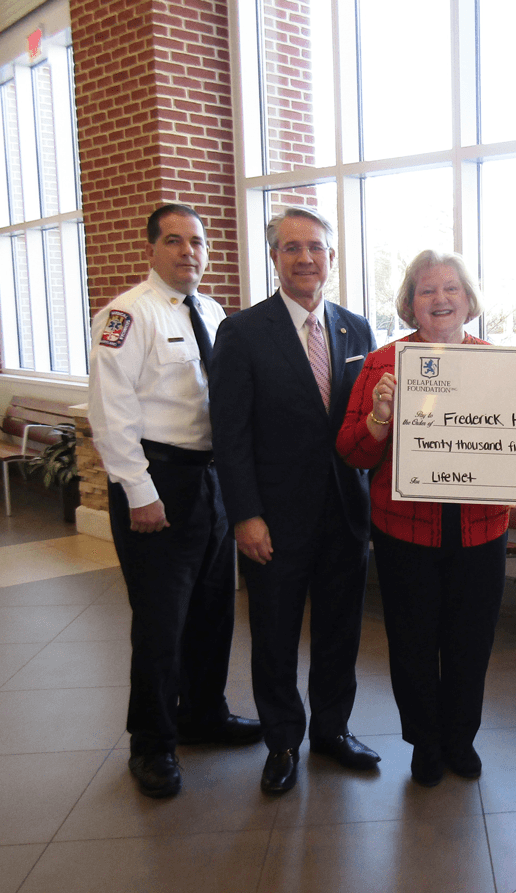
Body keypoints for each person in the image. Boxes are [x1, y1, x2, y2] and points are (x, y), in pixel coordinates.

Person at [88, 204, 261, 798]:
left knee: (214, 609)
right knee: (162, 622)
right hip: (157, 482)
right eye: (174, 241)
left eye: (197, 241)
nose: (188, 251)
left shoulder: (212, 312)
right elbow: (111, 413)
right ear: (151, 249)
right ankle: (153, 742)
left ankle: (204, 715)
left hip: (209, 481)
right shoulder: (125, 315)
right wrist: (139, 492)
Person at [209, 206, 379, 795]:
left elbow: (369, 424)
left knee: (339, 631)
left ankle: (333, 730)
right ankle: (283, 739)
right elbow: (228, 436)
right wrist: (245, 515)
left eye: (316, 248)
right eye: (292, 248)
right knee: (276, 633)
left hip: (346, 515)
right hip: (274, 520)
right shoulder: (243, 332)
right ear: (275, 258)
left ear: (332, 258)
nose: (305, 257)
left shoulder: (357, 330)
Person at [336, 250, 509, 787]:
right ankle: (424, 741)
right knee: (412, 642)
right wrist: (380, 418)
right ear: (410, 303)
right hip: (405, 531)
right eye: (427, 291)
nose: (440, 300)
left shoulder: (500, 364)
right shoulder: (382, 364)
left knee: (470, 640)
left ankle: (461, 738)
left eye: (451, 289)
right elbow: (351, 452)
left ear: (468, 299)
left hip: (482, 528)